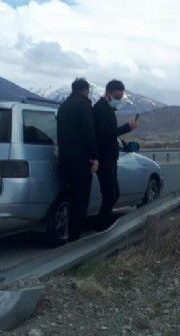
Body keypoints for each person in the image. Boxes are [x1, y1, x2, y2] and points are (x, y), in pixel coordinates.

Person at [57, 78, 99, 242]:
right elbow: (89, 131)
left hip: (64, 157)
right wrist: (94, 156)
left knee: (71, 196)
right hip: (80, 159)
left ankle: (67, 232)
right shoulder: (83, 105)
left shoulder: (63, 106)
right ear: (85, 90)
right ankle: (74, 237)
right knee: (81, 199)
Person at [92, 79, 138, 231]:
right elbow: (105, 134)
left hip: (110, 157)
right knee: (109, 193)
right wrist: (126, 128)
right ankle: (102, 226)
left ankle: (103, 223)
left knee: (113, 193)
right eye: (117, 98)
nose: (119, 101)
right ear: (109, 94)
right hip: (103, 157)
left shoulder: (109, 109)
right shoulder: (100, 109)